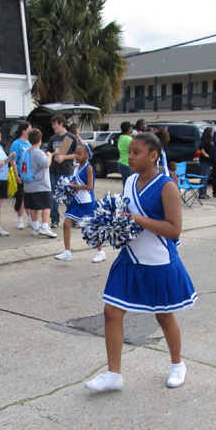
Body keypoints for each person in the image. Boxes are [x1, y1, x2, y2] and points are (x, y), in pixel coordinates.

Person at [84, 133, 197, 392]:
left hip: (157, 260)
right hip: (129, 259)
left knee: (164, 317)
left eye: (136, 152)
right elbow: (126, 217)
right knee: (111, 312)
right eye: (130, 152)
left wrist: (135, 219)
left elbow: (174, 229)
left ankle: (177, 364)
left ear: (153, 155)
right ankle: (114, 375)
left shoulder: (167, 186)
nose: (130, 157)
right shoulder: (131, 180)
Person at [54, 145, 105, 263]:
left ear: (87, 155)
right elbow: (74, 184)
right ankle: (67, 252)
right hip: (76, 201)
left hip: (87, 202)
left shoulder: (89, 168)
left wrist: (73, 186)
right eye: (75, 153)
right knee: (66, 224)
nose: (76, 156)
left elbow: (89, 186)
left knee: (93, 227)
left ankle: (100, 252)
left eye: (79, 154)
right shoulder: (76, 169)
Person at [22, 128, 57, 238]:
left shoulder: (25, 152)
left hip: (29, 185)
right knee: (47, 205)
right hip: (41, 185)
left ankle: (35, 227)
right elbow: (46, 163)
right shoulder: (39, 153)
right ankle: (45, 227)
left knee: (33, 207)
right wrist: (50, 156)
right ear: (40, 139)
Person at [46, 114, 78, 228]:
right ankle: (54, 219)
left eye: (54, 124)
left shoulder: (71, 138)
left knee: (69, 196)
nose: (53, 126)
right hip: (54, 171)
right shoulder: (52, 139)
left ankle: (73, 219)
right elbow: (48, 153)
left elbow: (77, 154)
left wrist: (64, 157)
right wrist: (55, 154)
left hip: (67, 171)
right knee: (53, 196)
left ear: (61, 124)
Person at [9, 122, 32, 230]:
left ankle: (29, 219)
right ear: (24, 130)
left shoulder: (30, 144)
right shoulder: (16, 144)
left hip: (28, 174)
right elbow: (13, 160)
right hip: (20, 172)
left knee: (28, 197)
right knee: (21, 197)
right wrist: (16, 175)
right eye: (29, 128)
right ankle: (19, 219)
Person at [197, 127, 214, 199]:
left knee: (207, 177)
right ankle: (201, 193)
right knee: (204, 177)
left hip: (208, 161)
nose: (213, 133)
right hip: (204, 161)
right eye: (212, 132)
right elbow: (200, 146)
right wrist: (205, 154)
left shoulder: (210, 140)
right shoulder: (205, 140)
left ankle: (204, 192)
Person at [117, 121, 134, 186]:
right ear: (129, 128)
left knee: (126, 185)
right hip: (128, 164)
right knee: (130, 185)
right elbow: (132, 151)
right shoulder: (129, 139)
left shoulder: (121, 138)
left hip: (121, 163)